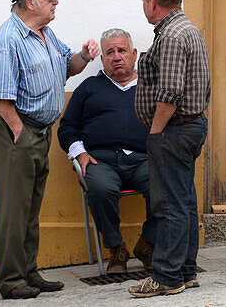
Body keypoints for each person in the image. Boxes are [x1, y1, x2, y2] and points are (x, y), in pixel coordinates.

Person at [0, 0, 99, 300]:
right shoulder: (8, 39)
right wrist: (20, 133)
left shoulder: (45, 33)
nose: (55, 2)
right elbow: (2, 97)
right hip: (17, 131)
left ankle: (29, 272)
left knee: (31, 206)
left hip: (39, 132)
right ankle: (10, 280)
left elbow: (69, 66)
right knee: (14, 208)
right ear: (29, 3)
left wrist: (86, 56)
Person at [128, 0, 211, 298]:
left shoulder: (173, 35)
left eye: (143, 1)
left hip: (175, 130)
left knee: (169, 205)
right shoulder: (187, 28)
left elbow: (171, 91)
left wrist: (155, 131)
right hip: (188, 126)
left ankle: (167, 276)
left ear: (152, 2)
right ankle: (186, 272)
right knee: (185, 202)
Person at [57, 28, 156, 273]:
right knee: (100, 190)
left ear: (133, 54)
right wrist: (79, 153)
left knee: (164, 185)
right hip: (101, 162)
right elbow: (67, 127)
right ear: (102, 59)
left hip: (143, 160)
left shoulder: (150, 86)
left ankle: (148, 244)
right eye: (110, 52)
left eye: (122, 50)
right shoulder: (90, 87)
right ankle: (116, 249)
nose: (117, 57)